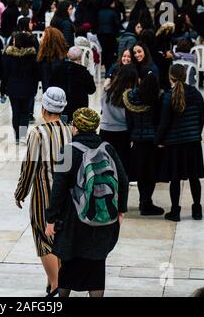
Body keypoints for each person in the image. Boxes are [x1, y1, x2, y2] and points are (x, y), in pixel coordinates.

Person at [45, 107, 128, 297]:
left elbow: (58, 188)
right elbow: (122, 180)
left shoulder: (67, 151)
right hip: (103, 218)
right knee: (96, 269)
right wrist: (120, 210)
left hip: (74, 221)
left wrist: (51, 218)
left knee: (68, 266)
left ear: (75, 127)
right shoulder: (108, 148)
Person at [15, 87, 71, 297]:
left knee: (43, 239)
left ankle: (56, 285)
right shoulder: (69, 129)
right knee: (59, 238)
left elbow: (29, 166)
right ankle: (53, 282)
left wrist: (20, 191)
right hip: (66, 195)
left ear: (44, 108)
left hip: (44, 195)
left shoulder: (38, 133)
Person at [155, 64, 204, 222]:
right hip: (192, 141)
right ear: (185, 76)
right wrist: (196, 133)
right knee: (194, 177)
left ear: (170, 77)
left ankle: (175, 211)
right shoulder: (196, 93)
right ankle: (197, 209)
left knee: (175, 179)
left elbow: (164, 122)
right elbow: (202, 117)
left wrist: (158, 140)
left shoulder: (168, 96)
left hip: (174, 143)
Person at [124, 68, 164, 216]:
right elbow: (160, 120)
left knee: (141, 173)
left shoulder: (131, 97)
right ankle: (147, 202)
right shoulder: (156, 98)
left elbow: (129, 122)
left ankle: (143, 201)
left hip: (137, 141)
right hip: (152, 142)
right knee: (151, 174)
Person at [100, 64, 138, 174]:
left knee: (106, 164)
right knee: (121, 166)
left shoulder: (107, 90)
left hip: (105, 129)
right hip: (122, 132)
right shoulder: (129, 95)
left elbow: (102, 107)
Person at [2, 32, 39, 144]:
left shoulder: (8, 55)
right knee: (25, 112)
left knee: (16, 112)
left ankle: (17, 136)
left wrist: (2, 88)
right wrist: (35, 89)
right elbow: (36, 75)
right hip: (28, 87)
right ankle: (23, 135)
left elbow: (5, 73)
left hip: (13, 88)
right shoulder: (32, 56)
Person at [50, 46, 96, 122]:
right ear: (81, 58)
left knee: (63, 129)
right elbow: (92, 90)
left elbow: (51, 86)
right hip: (79, 109)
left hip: (61, 107)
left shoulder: (57, 69)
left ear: (67, 55)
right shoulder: (84, 72)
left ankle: (22, 133)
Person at [36, 26, 68, 92]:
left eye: (43, 36)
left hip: (49, 94)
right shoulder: (62, 58)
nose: (41, 38)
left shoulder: (44, 60)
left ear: (47, 40)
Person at [96, 0, 121, 73]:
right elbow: (117, 24)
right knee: (110, 53)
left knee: (105, 51)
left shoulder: (99, 12)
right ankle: (109, 70)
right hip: (110, 34)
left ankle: (107, 68)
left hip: (100, 34)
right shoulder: (113, 12)